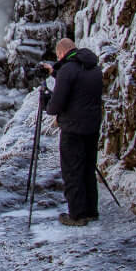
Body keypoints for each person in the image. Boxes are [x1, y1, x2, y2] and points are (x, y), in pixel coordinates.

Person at [40, 38, 103, 226]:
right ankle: (91, 210)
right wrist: (54, 72)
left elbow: (56, 105)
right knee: (87, 168)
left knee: (72, 171)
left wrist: (47, 103)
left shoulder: (68, 70)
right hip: (91, 126)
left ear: (61, 53)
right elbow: (76, 83)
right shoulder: (93, 67)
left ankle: (77, 215)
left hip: (73, 128)